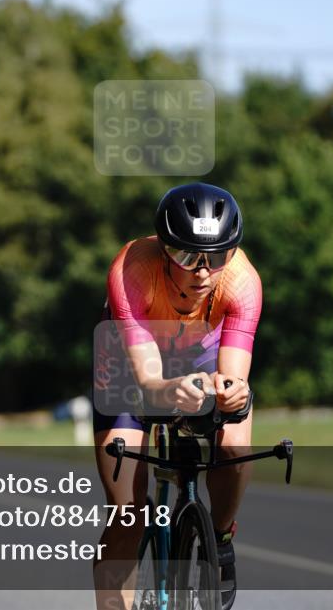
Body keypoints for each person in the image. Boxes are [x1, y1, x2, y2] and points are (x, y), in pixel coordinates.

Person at [92, 183, 261, 610]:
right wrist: (170, 391)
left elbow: (234, 377)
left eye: (217, 257)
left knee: (235, 443)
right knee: (128, 512)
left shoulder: (243, 283)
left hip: (200, 356)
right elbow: (148, 381)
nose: (203, 272)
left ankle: (219, 538)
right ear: (164, 249)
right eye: (187, 256)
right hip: (130, 365)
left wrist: (233, 394)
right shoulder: (131, 270)